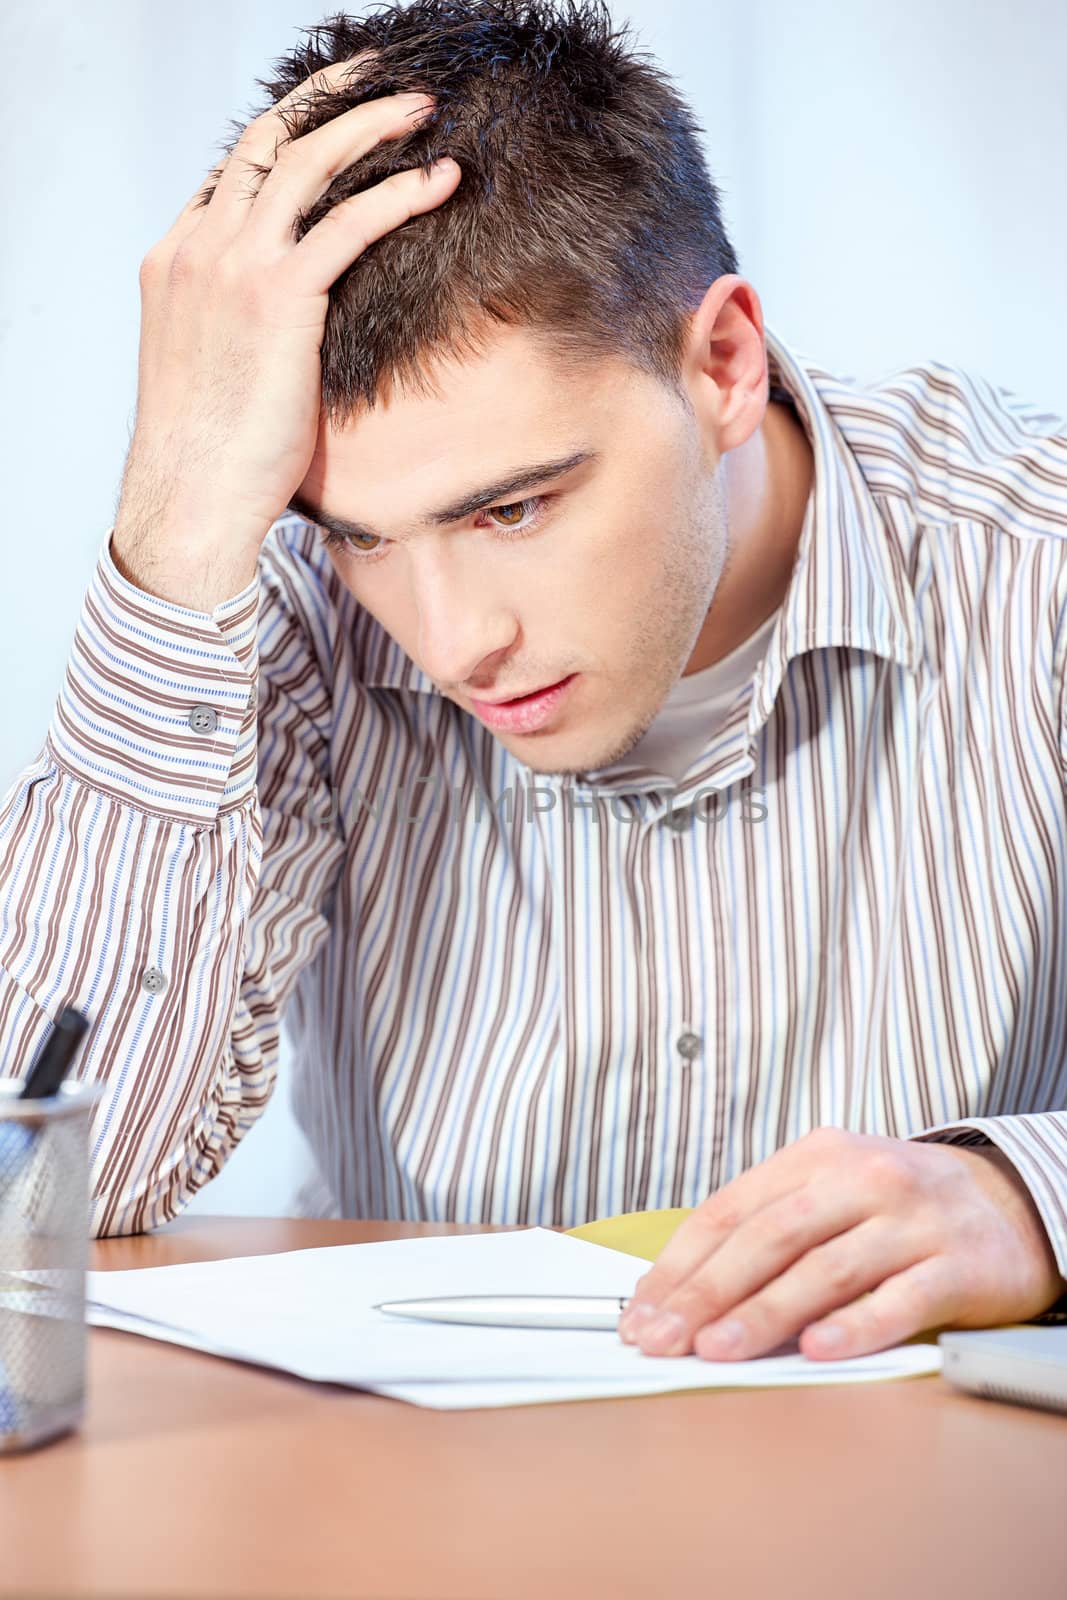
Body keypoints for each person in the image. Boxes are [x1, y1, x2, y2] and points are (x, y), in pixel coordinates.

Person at [2, 0, 1065, 1366]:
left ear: (723, 363)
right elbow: (42, 1191)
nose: (450, 644)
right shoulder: (281, 624)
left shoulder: (1035, 563)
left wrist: (1026, 1196)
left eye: (512, 509)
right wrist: (178, 526)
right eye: (366, 536)